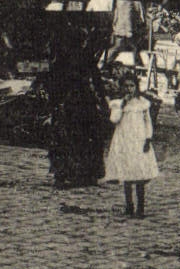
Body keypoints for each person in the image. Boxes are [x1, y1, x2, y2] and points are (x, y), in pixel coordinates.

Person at [46, 26, 110, 189]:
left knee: (65, 138)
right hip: (84, 101)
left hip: (67, 102)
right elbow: (97, 81)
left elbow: (53, 82)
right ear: (82, 41)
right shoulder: (86, 57)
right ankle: (86, 173)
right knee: (88, 136)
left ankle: (63, 173)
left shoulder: (60, 58)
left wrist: (53, 104)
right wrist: (103, 100)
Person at [104, 67, 160, 219]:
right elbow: (114, 120)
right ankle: (129, 205)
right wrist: (122, 105)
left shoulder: (143, 104)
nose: (129, 89)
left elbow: (148, 123)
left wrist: (148, 138)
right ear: (122, 88)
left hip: (139, 140)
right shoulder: (118, 104)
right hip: (124, 141)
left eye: (132, 86)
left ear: (136, 87)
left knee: (140, 174)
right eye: (126, 86)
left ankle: (141, 207)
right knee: (127, 174)